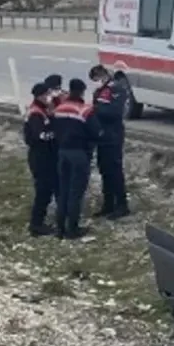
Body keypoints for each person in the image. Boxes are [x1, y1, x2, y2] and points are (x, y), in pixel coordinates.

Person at [52, 78, 103, 239]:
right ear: (82, 91)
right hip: (79, 154)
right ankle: (72, 229)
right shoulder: (85, 110)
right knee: (76, 193)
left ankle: (60, 228)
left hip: (62, 153)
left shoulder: (59, 109)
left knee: (63, 191)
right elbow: (97, 132)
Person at [89, 64, 130, 219]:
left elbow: (115, 111)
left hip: (113, 135)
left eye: (97, 78)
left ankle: (121, 205)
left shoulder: (116, 89)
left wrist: (96, 110)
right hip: (102, 136)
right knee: (104, 170)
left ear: (104, 75)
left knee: (115, 171)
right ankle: (108, 204)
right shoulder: (99, 91)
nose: (96, 82)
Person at [22, 82, 58, 237]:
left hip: (45, 156)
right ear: (40, 96)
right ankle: (36, 225)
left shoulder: (43, 110)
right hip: (40, 157)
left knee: (46, 189)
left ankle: (39, 222)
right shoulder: (36, 113)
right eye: (46, 95)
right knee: (43, 192)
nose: (49, 97)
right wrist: (56, 133)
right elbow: (40, 135)